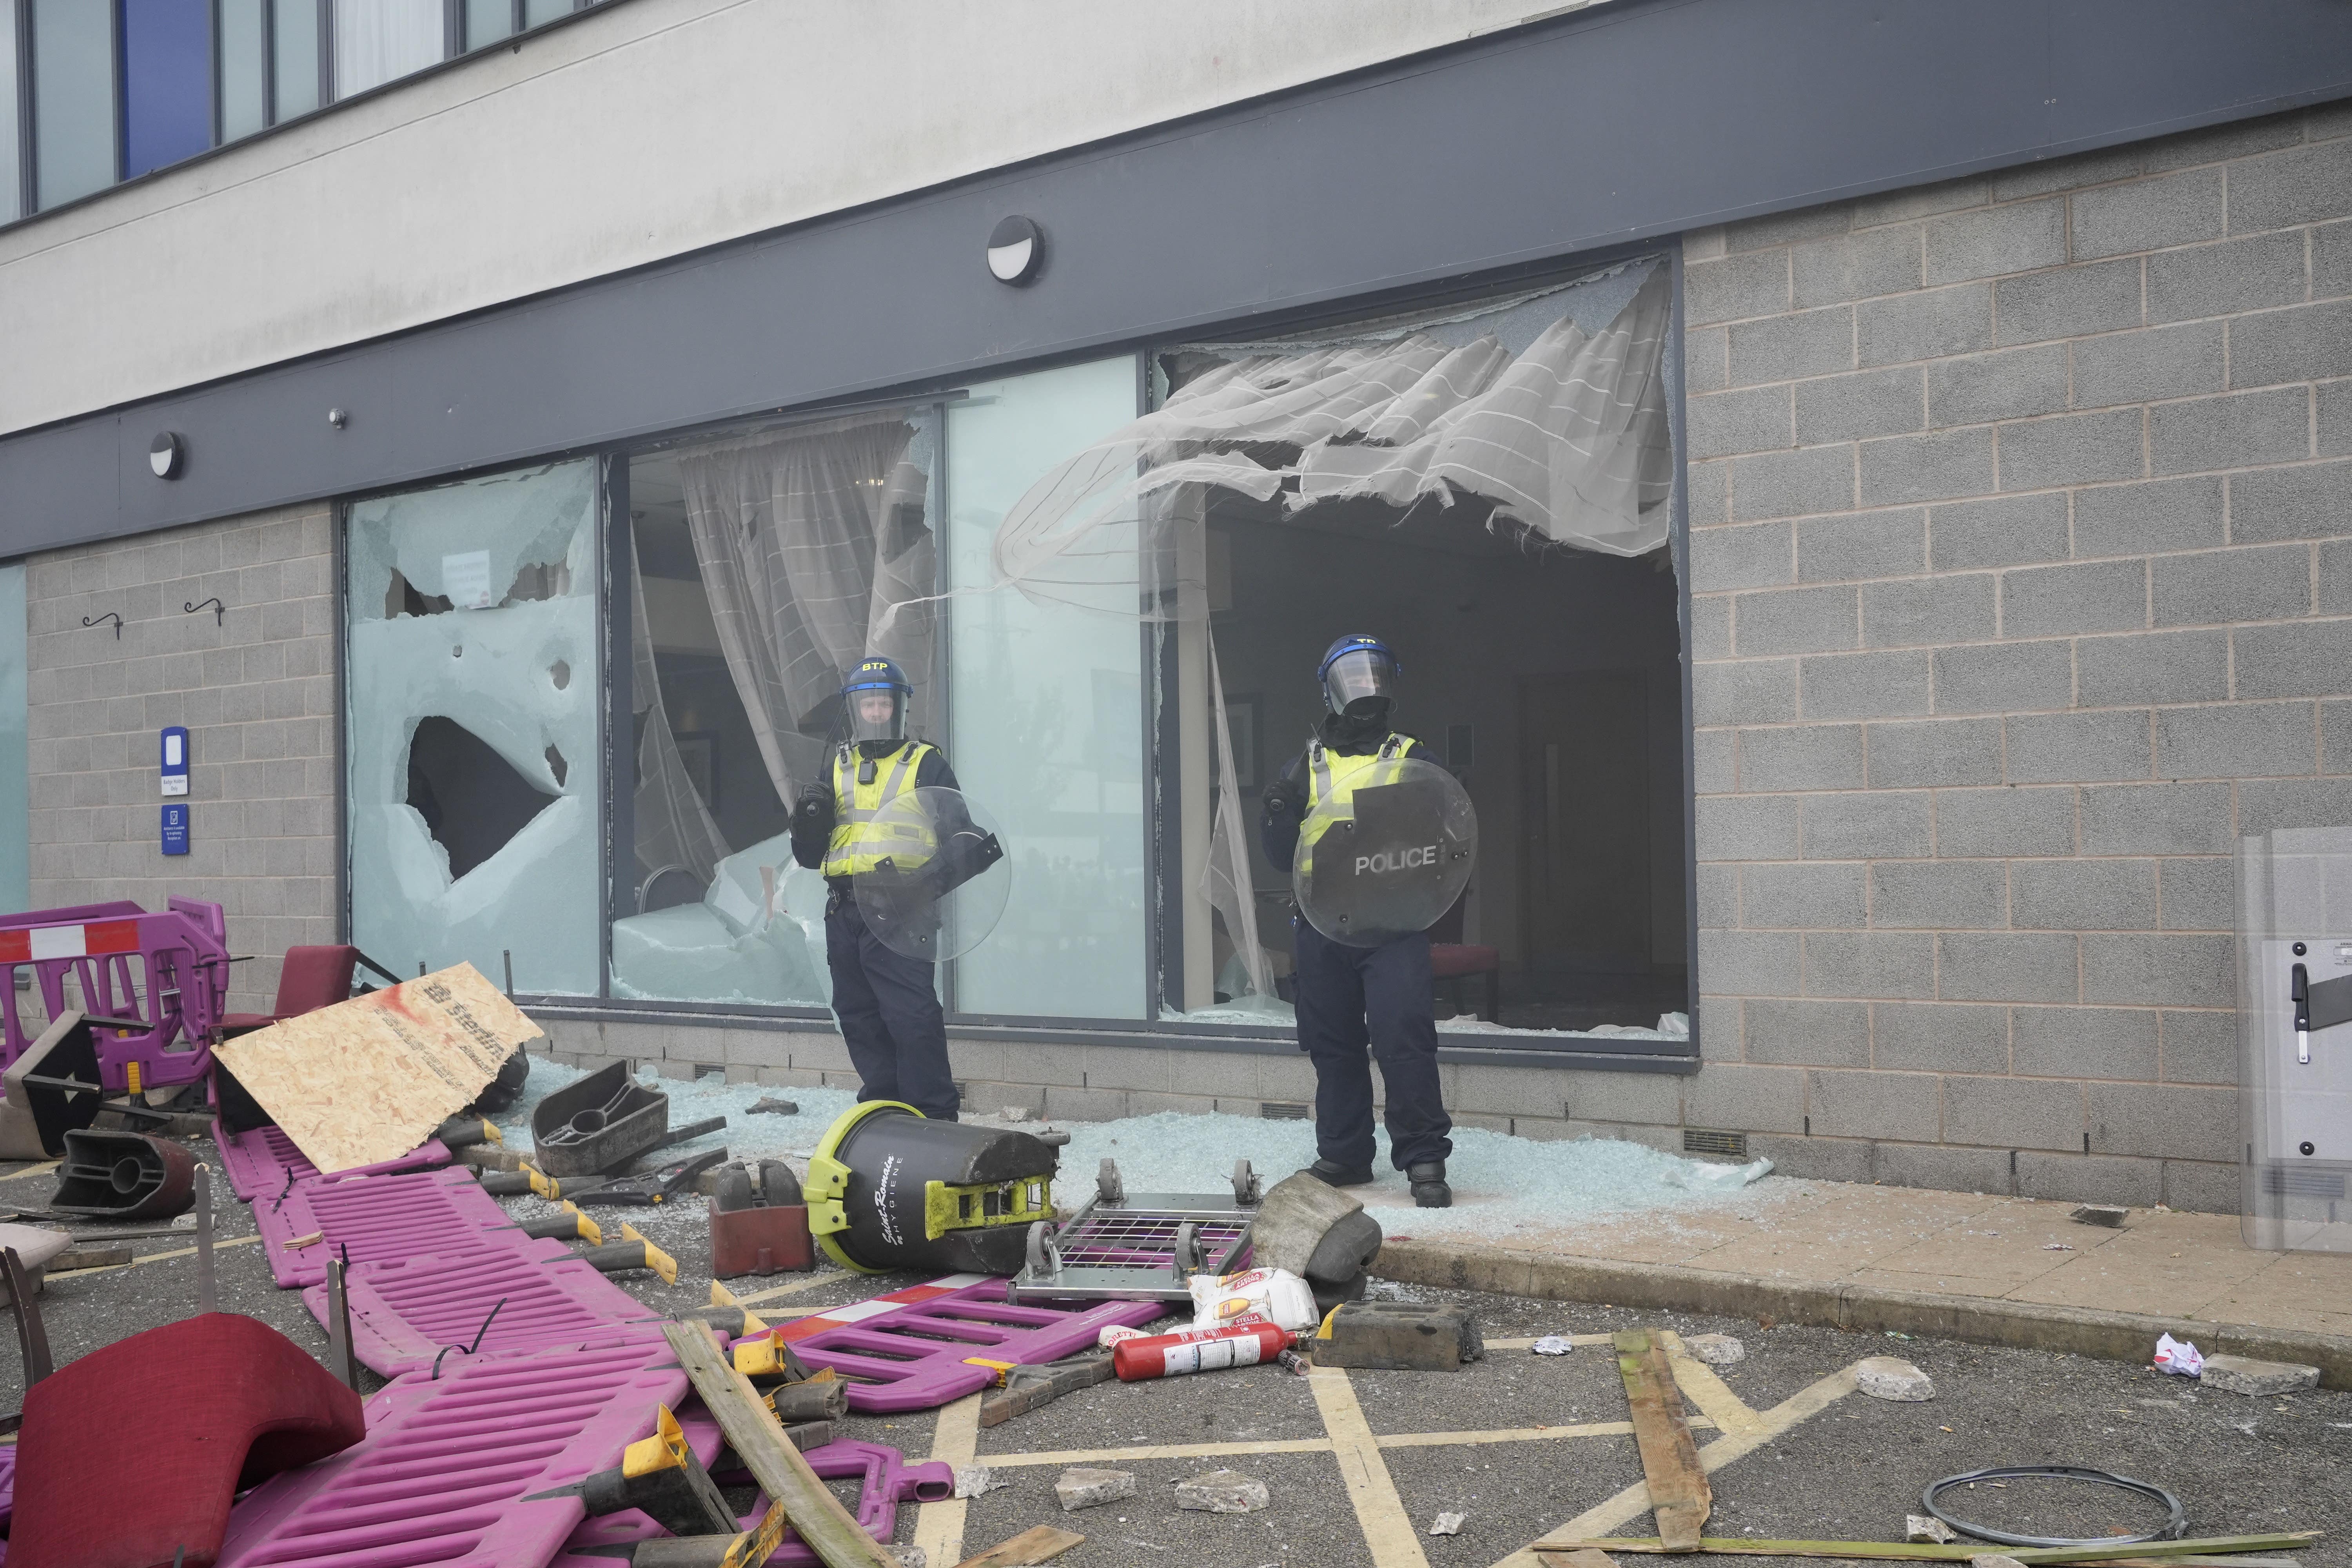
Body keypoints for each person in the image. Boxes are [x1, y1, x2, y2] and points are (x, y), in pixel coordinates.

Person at [1261, 634, 1455, 1208]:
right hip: (1323, 924)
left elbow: (1447, 836)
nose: (1365, 686)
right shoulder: (1307, 764)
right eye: (1353, 676)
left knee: (1403, 1037)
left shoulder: (1413, 756)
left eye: (1374, 675)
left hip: (1393, 925)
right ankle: (1345, 1154)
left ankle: (1424, 1157)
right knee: (1333, 1045)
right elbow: (1281, 858)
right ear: (1331, 688)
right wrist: (1275, 815)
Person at [791, 657, 962, 1121]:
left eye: (883, 700)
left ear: (898, 707)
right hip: (844, 908)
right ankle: (887, 1113)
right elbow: (809, 856)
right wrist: (807, 821)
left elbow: (963, 843)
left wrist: (921, 890)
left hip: (902, 907)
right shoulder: (838, 765)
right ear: (854, 709)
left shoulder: (926, 762)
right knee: (858, 1015)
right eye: (867, 702)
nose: (875, 710)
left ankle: (935, 1119)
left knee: (911, 1016)